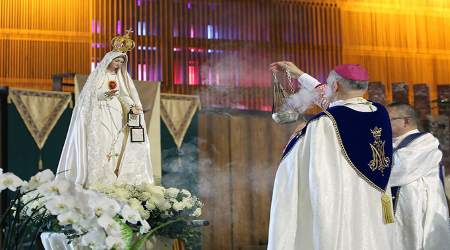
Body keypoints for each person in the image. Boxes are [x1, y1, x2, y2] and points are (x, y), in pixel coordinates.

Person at [268, 62, 395, 250]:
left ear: (335, 86)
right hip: (373, 199)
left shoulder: (324, 123)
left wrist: (299, 135)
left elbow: (299, 165)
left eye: (329, 84)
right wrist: (299, 74)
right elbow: (338, 106)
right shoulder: (380, 112)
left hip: (342, 200)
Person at [57, 32, 153, 187]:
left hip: (115, 112)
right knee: (104, 140)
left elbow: (124, 96)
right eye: (117, 60)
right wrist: (105, 94)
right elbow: (92, 94)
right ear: (110, 59)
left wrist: (132, 106)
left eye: (121, 62)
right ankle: (102, 175)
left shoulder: (119, 77)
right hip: (101, 112)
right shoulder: (98, 75)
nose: (119, 64)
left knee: (118, 140)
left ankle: (113, 173)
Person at [387, 103, 450, 250]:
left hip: (417, 209)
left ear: (406, 121)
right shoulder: (389, 143)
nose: (383, 123)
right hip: (395, 209)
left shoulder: (424, 141)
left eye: (389, 119)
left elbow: (402, 169)